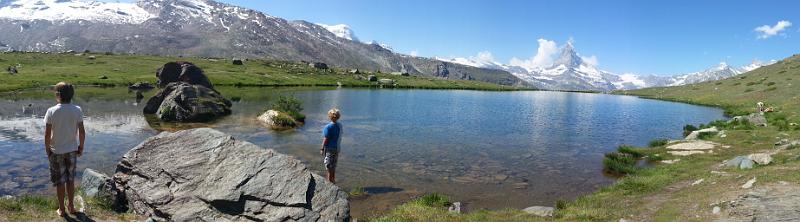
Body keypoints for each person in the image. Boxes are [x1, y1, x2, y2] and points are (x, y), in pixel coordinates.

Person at [44, 82, 85, 216]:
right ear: (71, 95)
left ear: (57, 95)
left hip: (56, 151)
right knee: (70, 180)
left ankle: (61, 209)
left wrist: (47, 150)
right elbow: (82, 131)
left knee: (60, 182)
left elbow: (47, 134)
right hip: (72, 150)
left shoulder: (51, 111)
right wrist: (81, 147)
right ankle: (71, 206)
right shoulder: (77, 109)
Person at [320, 108, 342, 183]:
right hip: (337, 148)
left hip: (329, 148)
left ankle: (329, 182)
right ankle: (333, 180)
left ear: (330, 116)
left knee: (328, 165)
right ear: (338, 117)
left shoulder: (328, 127)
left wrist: (322, 148)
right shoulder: (339, 125)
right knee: (333, 165)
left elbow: (326, 138)